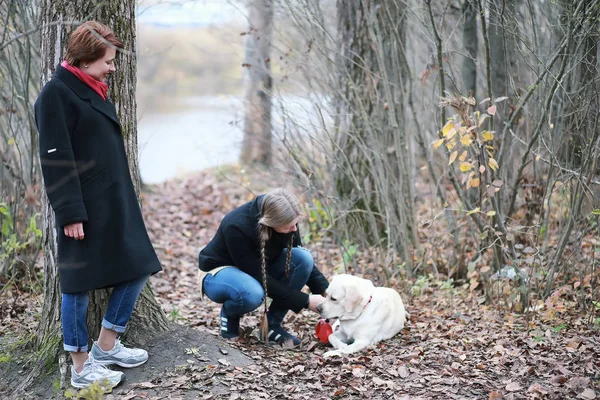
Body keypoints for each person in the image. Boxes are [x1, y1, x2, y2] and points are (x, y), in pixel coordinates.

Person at [34, 21, 162, 389]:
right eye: (107, 61)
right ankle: (80, 367)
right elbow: (55, 159)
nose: (112, 67)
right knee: (77, 284)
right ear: (86, 59)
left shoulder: (91, 87)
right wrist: (71, 212)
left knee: (137, 265)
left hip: (113, 201)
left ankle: (105, 346)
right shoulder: (56, 94)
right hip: (82, 208)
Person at [198, 188, 328, 346]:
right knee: (251, 293)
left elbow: (302, 263)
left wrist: (326, 293)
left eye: (295, 224)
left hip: (258, 268)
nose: (294, 229)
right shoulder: (236, 225)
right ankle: (230, 314)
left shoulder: (287, 217)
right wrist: (305, 301)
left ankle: (271, 326)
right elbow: (257, 275)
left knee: (303, 257)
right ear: (270, 222)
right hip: (218, 273)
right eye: (289, 226)